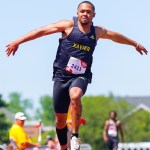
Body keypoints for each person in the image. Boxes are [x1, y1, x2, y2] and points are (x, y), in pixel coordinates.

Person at [6, 1, 148, 149]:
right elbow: (42, 31)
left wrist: (135, 44)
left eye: (88, 12)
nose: (85, 14)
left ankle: (74, 136)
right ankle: (63, 147)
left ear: (93, 14)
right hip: (61, 77)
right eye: (82, 11)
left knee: (75, 95)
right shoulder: (67, 25)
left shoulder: (97, 32)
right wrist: (18, 41)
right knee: (60, 121)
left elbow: (115, 36)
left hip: (81, 76)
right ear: (77, 13)